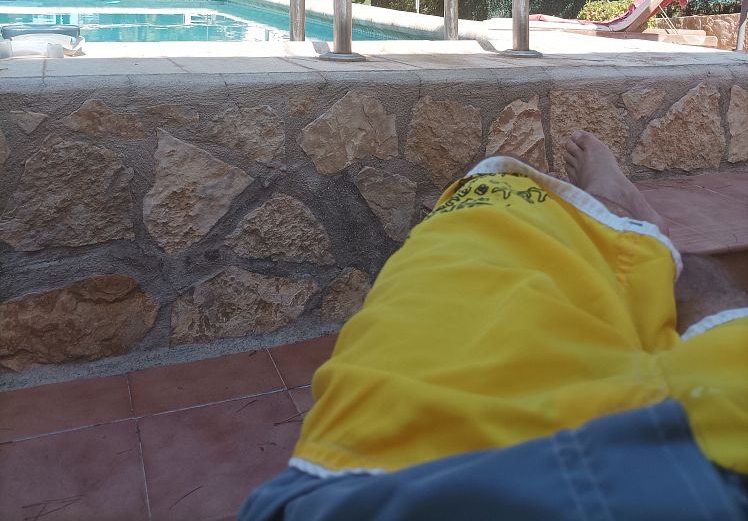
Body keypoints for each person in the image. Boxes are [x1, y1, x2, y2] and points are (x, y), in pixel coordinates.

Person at [240, 133, 748, 520]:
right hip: (706, 458)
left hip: (354, 480)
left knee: (484, 214)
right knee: (505, 222)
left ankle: (624, 227)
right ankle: (627, 229)